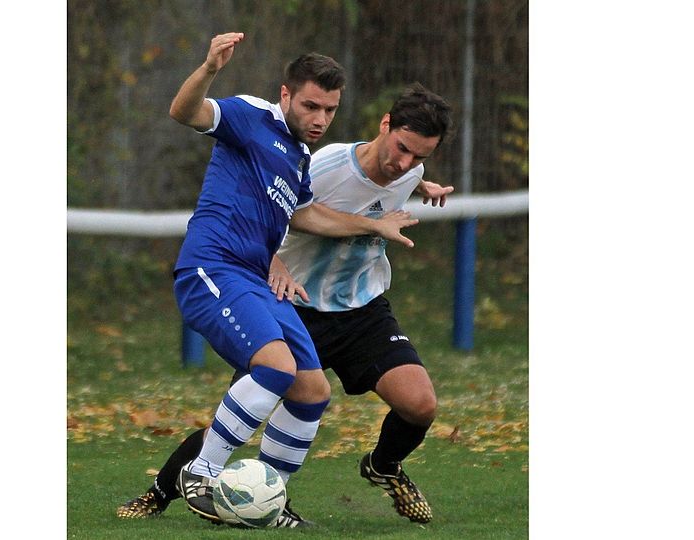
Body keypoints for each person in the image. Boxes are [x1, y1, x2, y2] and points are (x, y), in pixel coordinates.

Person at [118, 81, 453, 527]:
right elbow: (277, 206)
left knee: (420, 403)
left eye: (419, 156)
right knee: (251, 403)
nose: (406, 162)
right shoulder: (326, 164)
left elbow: (391, 186)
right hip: (296, 303)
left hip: (360, 309)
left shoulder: (408, 171)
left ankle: (381, 466)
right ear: (385, 125)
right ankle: (161, 490)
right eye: (403, 148)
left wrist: (421, 183)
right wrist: (273, 261)